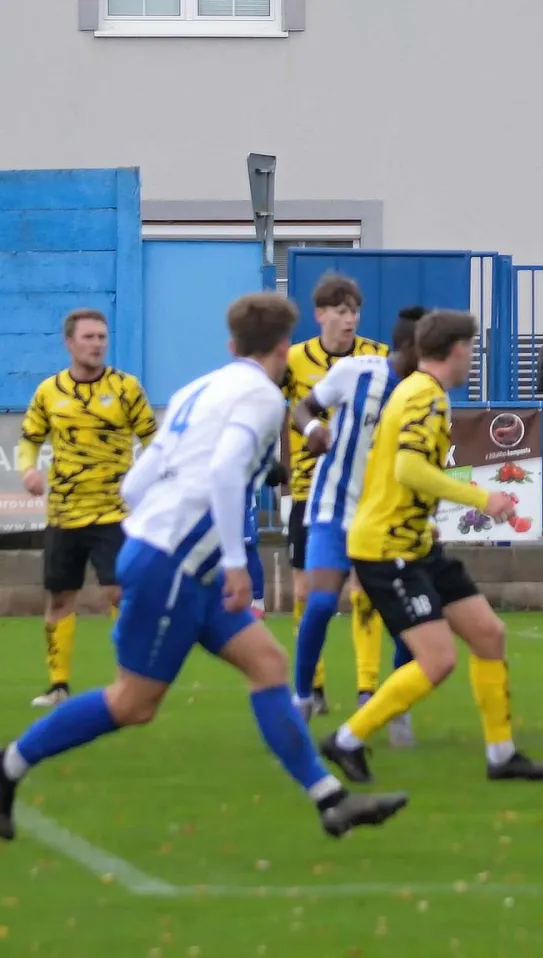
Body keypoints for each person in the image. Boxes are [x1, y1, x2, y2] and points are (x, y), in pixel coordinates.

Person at [0, 293, 409, 843]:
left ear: (232, 344)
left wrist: (165, 534)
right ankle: (8, 767)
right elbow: (223, 471)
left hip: (178, 562)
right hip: (176, 566)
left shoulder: (197, 389)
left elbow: (135, 484)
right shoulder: (264, 398)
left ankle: (330, 801)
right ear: (283, 346)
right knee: (132, 702)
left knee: (268, 664)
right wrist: (234, 563)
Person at [318, 310, 543, 785]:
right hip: (388, 548)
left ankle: (502, 755)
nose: (472, 358)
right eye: (471, 348)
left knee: (488, 634)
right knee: (438, 660)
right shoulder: (424, 397)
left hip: (414, 543)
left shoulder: (420, 391)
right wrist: (483, 499)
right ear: (456, 350)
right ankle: (347, 739)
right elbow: (408, 469)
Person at [289, 307, 425, 746]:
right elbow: (302, 407)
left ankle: (393, 704)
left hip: (386, 515)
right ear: (412, 348)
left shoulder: (426, 393)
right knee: (320, 603)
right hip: (334, 506)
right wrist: (313, 428)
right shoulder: (356, 372)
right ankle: (302, 697)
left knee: (406, 615)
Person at [19, 308, 158, 709]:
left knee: (119, 593)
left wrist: (154, 481)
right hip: (64, 514)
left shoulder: (126, 388)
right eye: (89, 337)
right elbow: (30, 438)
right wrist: (29, 470)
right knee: (60, 597)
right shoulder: (49, 391)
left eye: (102, 337)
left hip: (114, 512)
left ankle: (128, 679)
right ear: (70, 343)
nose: (97, 344)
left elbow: (154, 440)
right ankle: (57, 685)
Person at [281, 273, 389, 715]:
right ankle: (315, 685)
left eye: (355, 311)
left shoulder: (378, 357)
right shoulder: (294, 359)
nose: (350, 319)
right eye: (341, 311)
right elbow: (284, 411)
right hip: (309, 489)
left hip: (364, 492)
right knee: (306, 591)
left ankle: (367, 686)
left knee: (366, 587)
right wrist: (283, 463)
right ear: (320, 315)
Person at [244, 460, 288, 619]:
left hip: (242, 503)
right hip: (219, 502)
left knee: (248, 549)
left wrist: (273, 468)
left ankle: (258, 603)